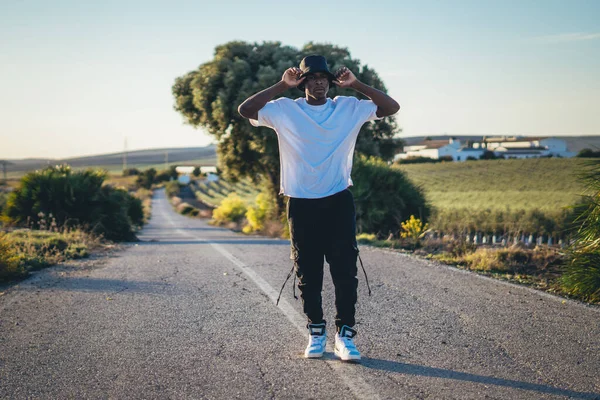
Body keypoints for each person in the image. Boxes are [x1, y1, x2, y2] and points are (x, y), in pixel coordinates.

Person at [238, 55, 399, 361]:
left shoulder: (348, 107)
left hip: (338, 200)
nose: (319, 82)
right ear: (303, 82)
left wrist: (357, 85)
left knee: (344, 271)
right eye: (312, 78)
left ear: (331, 81)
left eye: (324, 78)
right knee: (308, 272)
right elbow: (245, 110)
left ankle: (345, 336)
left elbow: (391, 108)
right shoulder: (285, 110)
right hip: (301, 203)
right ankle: (316, 332)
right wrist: (281, 86)